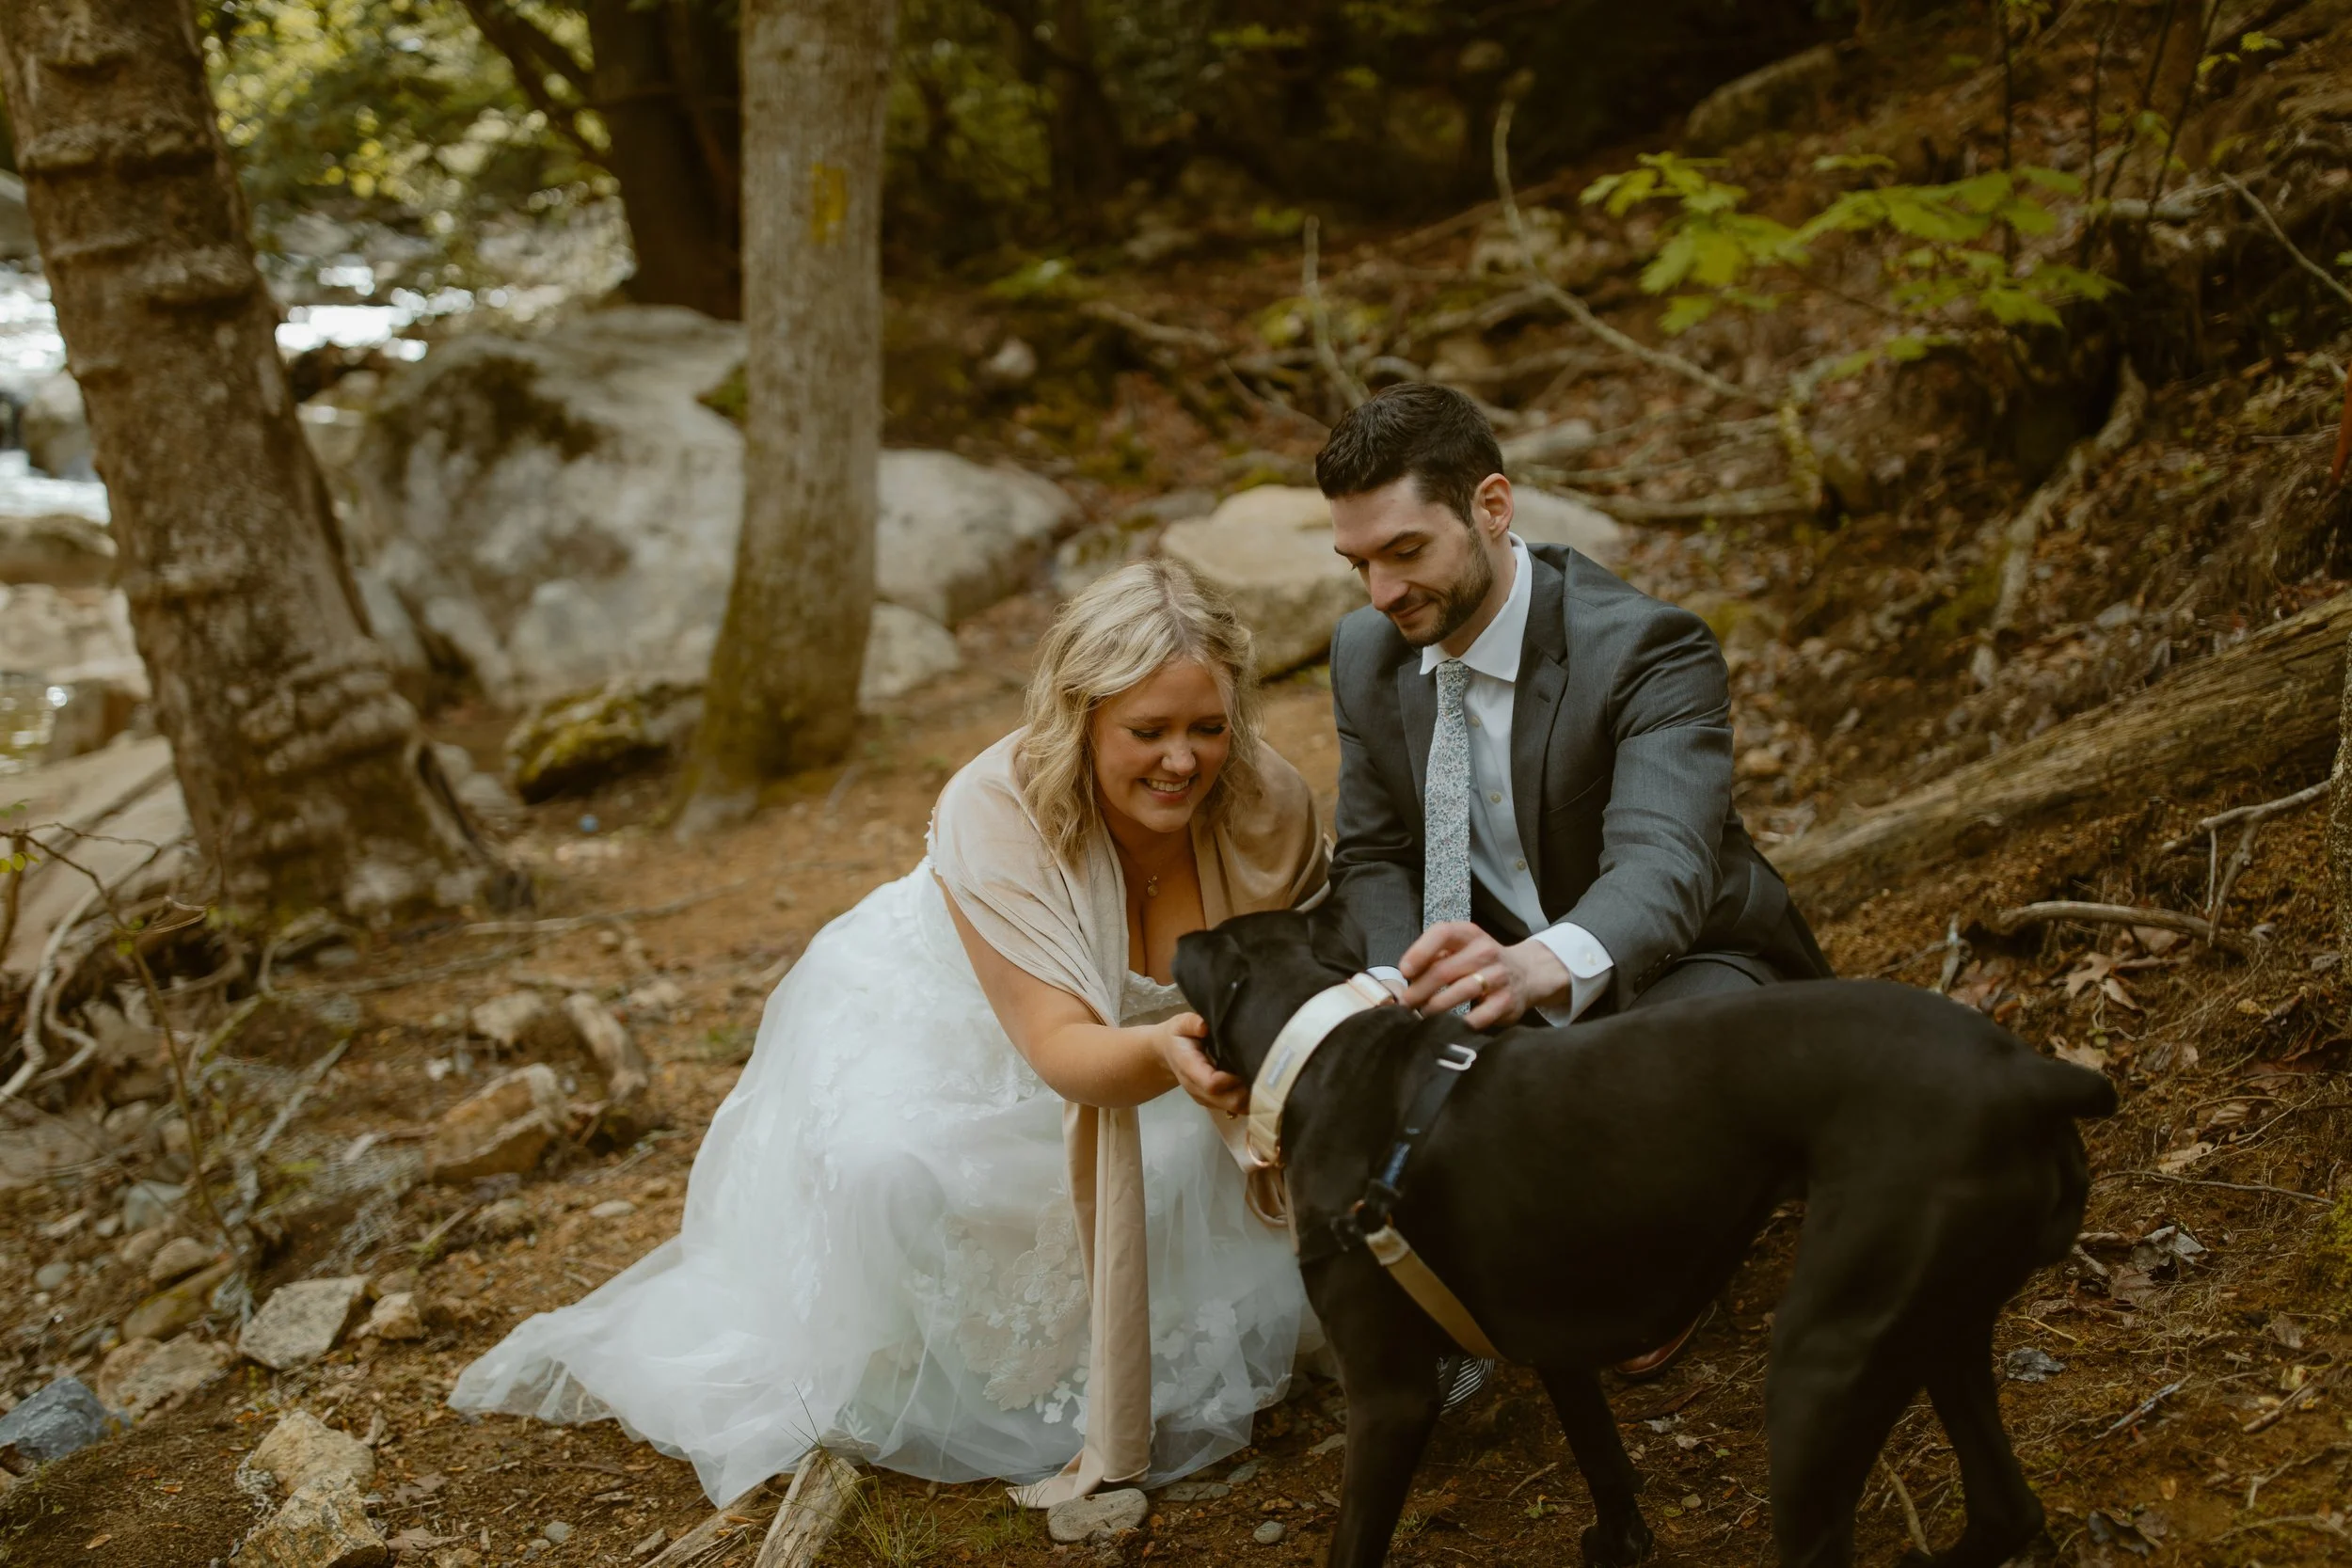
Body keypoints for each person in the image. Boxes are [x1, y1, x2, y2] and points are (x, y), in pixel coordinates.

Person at [450, 562, 1329, 1509]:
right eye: (1146, 730)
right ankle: (959, 1361)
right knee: (889, 1170)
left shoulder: (1264, 808)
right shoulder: (999, 809)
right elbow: (1060, 1048)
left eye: (1207, 726)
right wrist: (1165, 1051)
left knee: (1187, 1176)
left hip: (1160, 1064)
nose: (1181, 759)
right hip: (961, 1032)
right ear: (1079, 721)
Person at [1318, 382, 1832, 1386]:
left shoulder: (1646, 646)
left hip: (1683, 969)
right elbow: (1374, 853)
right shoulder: (1364, 653)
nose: (1380, 591)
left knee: (1611, 1115)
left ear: (1492, 506)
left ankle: (1662, 1252)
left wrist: (1532, 968)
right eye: (1358, 563)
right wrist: (1399, 987)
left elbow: (1664, 866)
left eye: (1406, 551)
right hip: (1485, 974)